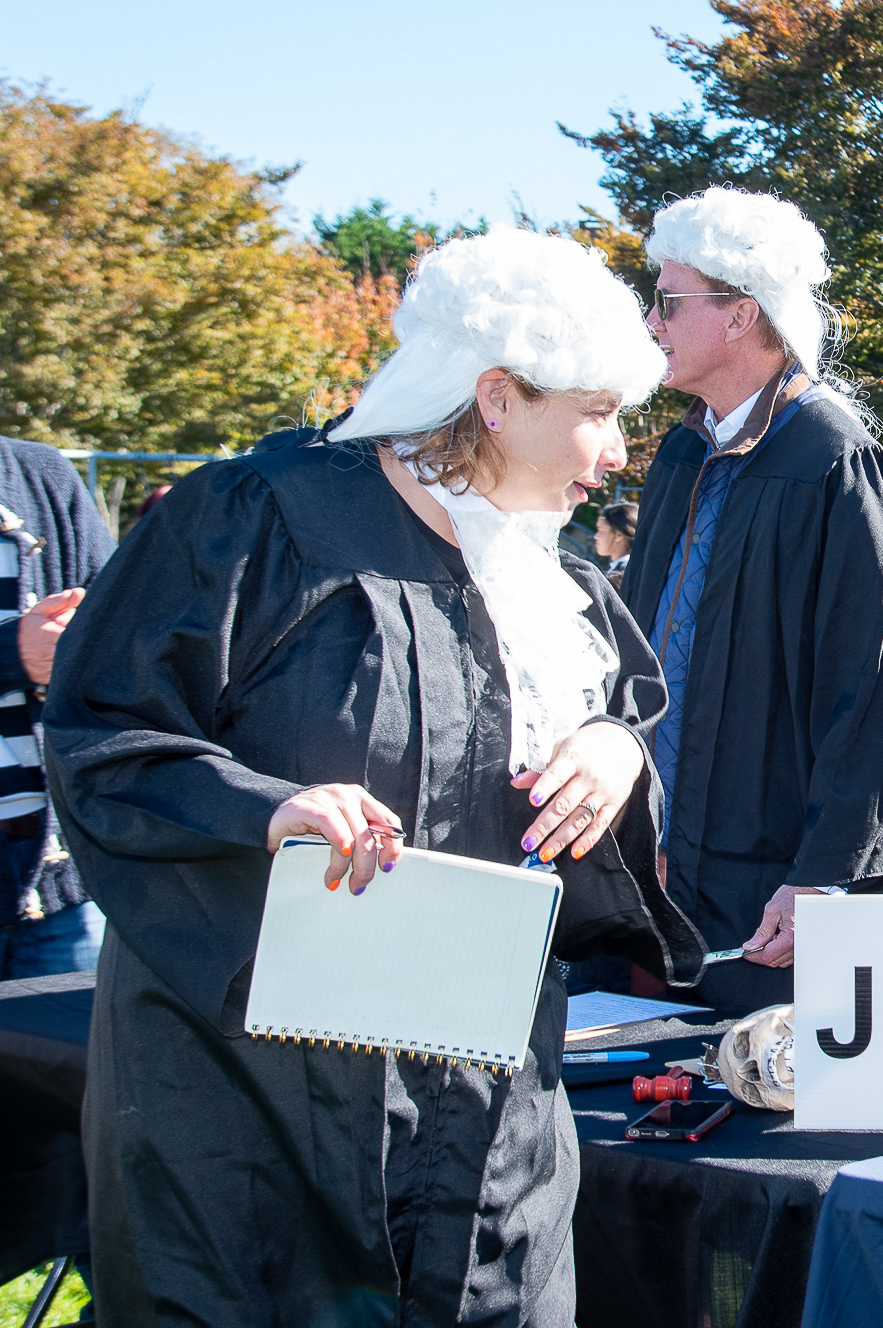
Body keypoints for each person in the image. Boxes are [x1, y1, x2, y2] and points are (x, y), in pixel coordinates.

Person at [45, 229, 704, 1325]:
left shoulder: (547, 571)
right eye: (596, 410)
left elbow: (618, 703)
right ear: (496, 396)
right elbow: (105, 733)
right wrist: (266, 808)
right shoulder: (255, 520)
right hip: (255, 1094)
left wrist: (615, 747)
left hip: (488, 1092)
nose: (619, 449)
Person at [624, 187, 883, 1013]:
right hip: (668, 869)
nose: (652, 323)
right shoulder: (681, 455)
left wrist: (825, 876)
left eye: (668, 302)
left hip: (774, 882)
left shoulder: (832, 461)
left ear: (741, 315)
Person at [0, 437, 114, 978]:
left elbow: (121, 635)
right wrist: (11, 654)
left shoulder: (40, 474)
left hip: (59, 892)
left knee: (72, 1063)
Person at [595, 500, 636, 590]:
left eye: (600, 530)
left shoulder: (623, 575)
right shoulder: (626, 569)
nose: (596, 536)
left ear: (619, 535)